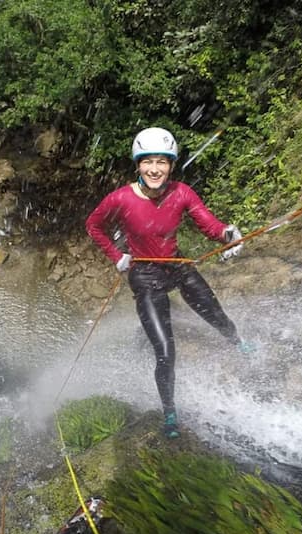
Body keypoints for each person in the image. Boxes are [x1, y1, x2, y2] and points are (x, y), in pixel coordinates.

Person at [85, 127, 246, 439]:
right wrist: (116, 255)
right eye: (148, 162)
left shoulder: (182, 193)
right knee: (165, 351)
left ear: (171, 165)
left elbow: (208, 223)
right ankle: (169, 411)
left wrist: (227, 234)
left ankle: (239, 343)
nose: (155, 169)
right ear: (138, 165)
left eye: (162, 162)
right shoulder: (120, 199)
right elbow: (93, 225)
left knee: (216, 315)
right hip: (145, 276)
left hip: (177, 266)